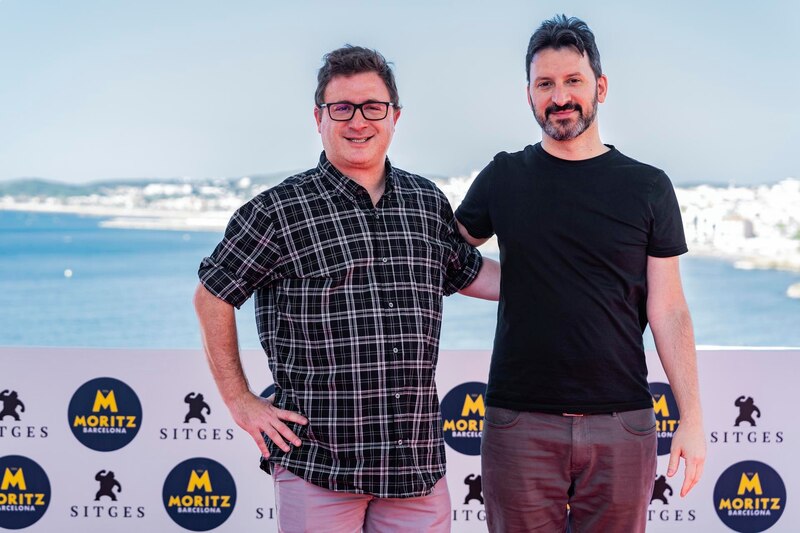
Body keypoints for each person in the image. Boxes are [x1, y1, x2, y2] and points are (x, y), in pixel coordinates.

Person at [194, 45, 499, 532]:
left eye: (373, 107)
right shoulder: (277, 211)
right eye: (342, 108)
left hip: (415, 468)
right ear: (319, 118)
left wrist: (565, 274)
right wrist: (240, 400)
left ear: (395, 117)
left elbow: (470, 272)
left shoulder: (425, 201)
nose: (359, 121)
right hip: (320, 466)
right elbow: (212, 295)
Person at [455, 15, 706, 532]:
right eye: (545, 84)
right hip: (518, 421)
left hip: (623, 421)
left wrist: (693, 419)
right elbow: (443, 256)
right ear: (528, 94)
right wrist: (515, 280)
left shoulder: (648, 187)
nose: (559, 96)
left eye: (573, 81)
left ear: (601, 87)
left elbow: (669, 308)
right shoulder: (504, 177)